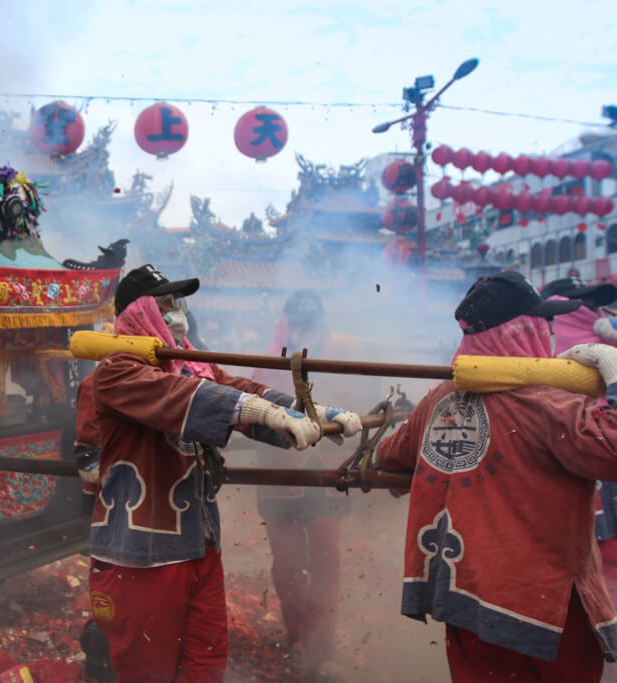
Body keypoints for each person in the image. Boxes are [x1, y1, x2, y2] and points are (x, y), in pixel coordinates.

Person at [81, 264, 362, 682]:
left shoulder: (190, 367)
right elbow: (189, 399)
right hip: (142, 559)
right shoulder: (116, 372)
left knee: (206, 666)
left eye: (178, 304)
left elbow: (240, 390)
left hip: (199, 546)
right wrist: (263, 412)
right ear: (139, 314)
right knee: (147, 672)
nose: (178, 314)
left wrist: (310, 410)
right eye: (166, 305)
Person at [376, 270, 617, 682]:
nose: (551, 331)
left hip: (466, 598)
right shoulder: (551, 404)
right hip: (547, 604)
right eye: (546, 322)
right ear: (522, 330)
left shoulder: (437, 399)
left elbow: (389, 455)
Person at [251, 290, 354, 679]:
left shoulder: (338, 359)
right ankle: (296, 632)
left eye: (311, 323)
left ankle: (323, 645)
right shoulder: (267, 364)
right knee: (289, 562)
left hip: (326, 474)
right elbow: (254, 405)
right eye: (298, 323)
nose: (305, 330)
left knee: (327, 554)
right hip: (280, 476)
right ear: (287, 324)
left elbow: (356, 404)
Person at [543, 277, 617, 683]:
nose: (592, 307)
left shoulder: (604, 328)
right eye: (583, 301)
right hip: (570, 446)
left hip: (600, 443)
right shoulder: (543, 336)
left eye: (594, 300)